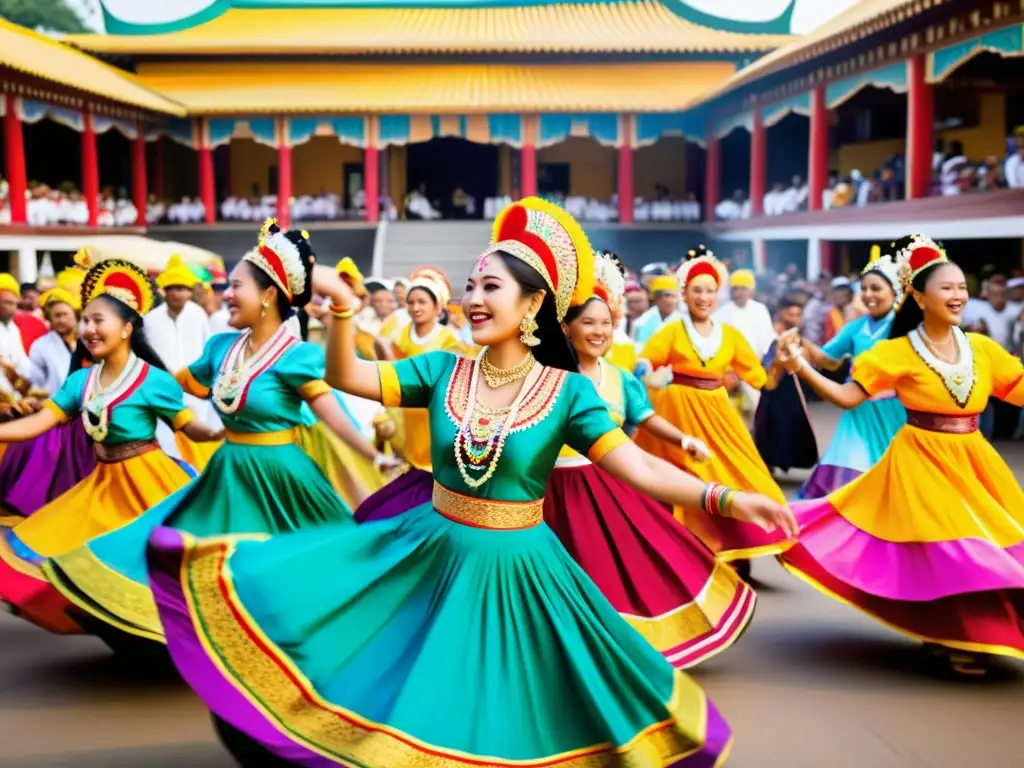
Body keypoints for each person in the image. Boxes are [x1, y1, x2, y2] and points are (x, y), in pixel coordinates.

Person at [146, 197, 794, 767]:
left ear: (535, 303)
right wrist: (342, 311)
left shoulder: (566, 393)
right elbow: (351, 378)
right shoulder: (441, 370)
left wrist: (730, 497)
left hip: (520, 570)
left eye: (492, 287)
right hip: (431, 549)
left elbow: (639, 466)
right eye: (472, 284)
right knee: (405, 683)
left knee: (508, 710)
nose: (475, 298)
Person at [41, 223, 371, 656]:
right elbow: (172, 382)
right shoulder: (219, 348)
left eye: (236, 286)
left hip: (283, 477)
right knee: (174, 549)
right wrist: (117, 358)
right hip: (227, 473)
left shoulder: (298, 356)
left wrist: (371, 454)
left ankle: (294, 644)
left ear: (269, 294)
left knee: (307, 562)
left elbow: (331, 416)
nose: (226, 293)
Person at [777, 236, 1024, 676]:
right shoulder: (896, 352)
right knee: (956, 547)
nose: (958, 295)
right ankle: (958, 636)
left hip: (975, 463)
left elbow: (1018, 389)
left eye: (962, 287)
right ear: (918, 296)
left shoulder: (983, 349)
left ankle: (955, 631)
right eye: (947, 288)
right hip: (920, 462)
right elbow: (848, 397)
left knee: (989, 545)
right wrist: (802, 368)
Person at [545, 252, 754, 669]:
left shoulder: (620, 378)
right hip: (548, 494)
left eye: (606, 323)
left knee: (619, 569)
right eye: (588, 322)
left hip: (607, 488)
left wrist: (685, 439)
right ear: (566, 327)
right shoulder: (547, 377)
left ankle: (609, 652)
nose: (599, 331)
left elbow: (645, 417)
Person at [0, 257, 221, 634]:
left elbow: (190, 429)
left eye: (98, 320)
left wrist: (222, 433)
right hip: (102, 487)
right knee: (72, 557)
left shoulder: (154, 380)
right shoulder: (81, 382)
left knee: (157, 565)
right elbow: (38, 423)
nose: (88, 328)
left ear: (127, 328)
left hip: (151, 484)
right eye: (85, 319)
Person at [635, 245, 793, 575]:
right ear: (685, 294)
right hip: (677, 410)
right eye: (696, 291)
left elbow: (759, 377)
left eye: (709, 291)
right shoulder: (672, 331)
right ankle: (691, 551)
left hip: (717, 412)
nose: (703, 297)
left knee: (737, 472)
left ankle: (738, 549)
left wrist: (779, 364)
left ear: (716, 294)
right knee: (686, 480)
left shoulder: (731, 335)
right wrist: (646, 372)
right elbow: (646, 360)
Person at [797, 247, 907, 499]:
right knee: (844, 470)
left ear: (894, 291)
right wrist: (800, 343)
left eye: (876, 288)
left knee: (894, 479)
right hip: (858, 410)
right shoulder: (856, 327)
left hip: (896, 414)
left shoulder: (904, 327)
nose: (868, 295)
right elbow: (829, 359)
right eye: (864, 289)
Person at [0, 270, 96, 521]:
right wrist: (28, 392)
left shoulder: (92, 341)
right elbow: (33, 381)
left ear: (75, 314)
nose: (61, 320)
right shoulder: (43, 345)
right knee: (45, 453)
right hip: (56, 411)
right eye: (55, 317)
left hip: (91, 411)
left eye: (64, 314)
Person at [147, 254, 222, 471]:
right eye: (172, 288)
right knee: (166, 437)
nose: (177, 293)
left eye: (182, 288)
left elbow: (207, 348)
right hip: (163, 388)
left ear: (190, 291)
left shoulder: (198, 315)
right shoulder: (151, 319)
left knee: (198, 437)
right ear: (164, 290)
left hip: (195, 387)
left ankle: (198, 474)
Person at [753, 298, 818, 475]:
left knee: (793, 425)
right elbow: (766, 360)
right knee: (771, 426)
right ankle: (768, 464)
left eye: (798, 314)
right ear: (782, 313)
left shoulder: (800, 337)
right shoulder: (773, 335)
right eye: (791, 313)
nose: (795, 318)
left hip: (793, 389)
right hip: (774, 390)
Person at [714, 269, 775, 417]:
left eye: (743, 289)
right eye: (736, 289)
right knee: (735, 414)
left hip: (757, 369)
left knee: (760, 409)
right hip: (732, 372)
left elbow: (768, 339)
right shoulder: (721, 314)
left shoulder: (760, 309)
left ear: (751, 290)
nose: (739, 293)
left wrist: (769, 363)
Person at [631, 274, 682, 349]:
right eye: (667, 296)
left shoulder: (684, 321)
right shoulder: (644, 322)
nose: (671, 300)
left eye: (674, 296)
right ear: (657, 298)